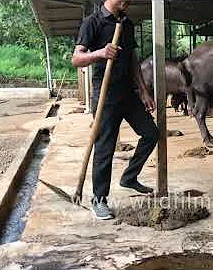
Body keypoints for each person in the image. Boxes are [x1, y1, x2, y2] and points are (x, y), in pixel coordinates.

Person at [72, 0, 159, 220]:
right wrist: (100, 53)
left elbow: (132, 59)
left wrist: (143, 91)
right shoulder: (92, 23)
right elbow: (77, 59)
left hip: (128, 94)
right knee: (105, 148)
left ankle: (129, 177)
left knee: (151, 133)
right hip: (105, 95)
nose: (129, 2)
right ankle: (99, 200)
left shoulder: (126, 24)